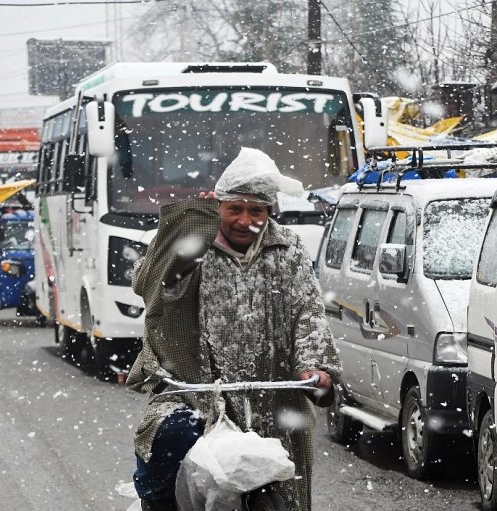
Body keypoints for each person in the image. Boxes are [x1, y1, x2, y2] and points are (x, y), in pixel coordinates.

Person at [127, 147, 340, 511]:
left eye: (256, 210)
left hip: (273, 391)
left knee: (286, 479)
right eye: (234, 209)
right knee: (173, 435)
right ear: (219, 207)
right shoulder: (195, 243)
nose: (245, 220)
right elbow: (155, 284)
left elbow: (308, 311)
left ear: (270, 211)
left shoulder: (288, 249)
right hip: (191, 391)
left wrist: (315, 369)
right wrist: (196, 222)